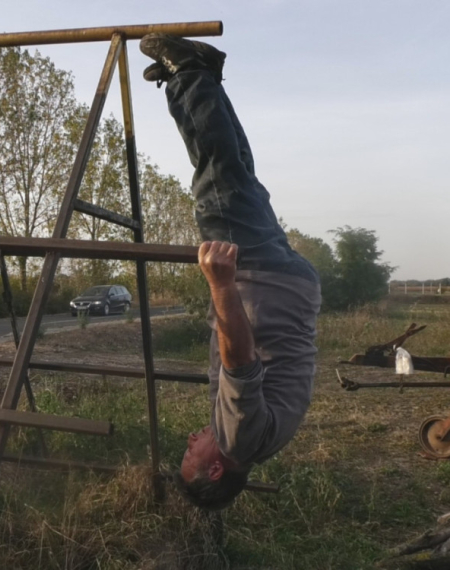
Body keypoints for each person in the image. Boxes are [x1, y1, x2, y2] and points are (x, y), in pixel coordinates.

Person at [139, 34, 322, 510]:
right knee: (216, 178)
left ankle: (203, 76)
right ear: (214, 468)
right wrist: (220, 282)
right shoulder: (239, 440)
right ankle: (187, 72)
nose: (191, 440)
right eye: (190, 453)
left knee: (236, 175)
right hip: (262, 282)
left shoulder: (260, 444)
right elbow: (240, 359)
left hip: (287, 285)